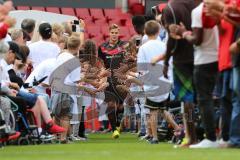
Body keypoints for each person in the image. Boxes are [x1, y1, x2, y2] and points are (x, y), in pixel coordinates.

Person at [170, 0, 219, 148]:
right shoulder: (218, 9)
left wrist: (183, 33)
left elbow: (197, 40)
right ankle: (223, 136)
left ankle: (210, 138)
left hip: (204, 60)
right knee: (222, 100)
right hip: (218, 58)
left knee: (205, 101)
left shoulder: (198, 11)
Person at [161, 0, 197, 147]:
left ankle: (192, 138)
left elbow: (172, 36)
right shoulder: (199, 4)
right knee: (206, 99)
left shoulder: (171, 8)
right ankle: (212, 136)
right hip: (202, 57)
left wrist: (166, 61)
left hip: (182, 60)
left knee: (187, 99)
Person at [98, 24, 127, 139]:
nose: (114, 35)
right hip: (109, 78)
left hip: (120, 78)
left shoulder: (124, 46)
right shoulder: (102, 47)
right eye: (112, 32)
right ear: (109, 33)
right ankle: (114, 130)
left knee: (120, 106)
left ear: (118, 33)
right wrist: (102, 76)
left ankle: (118, 125)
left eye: (116, 33)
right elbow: (100, 64)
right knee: (110, 104)